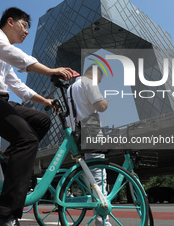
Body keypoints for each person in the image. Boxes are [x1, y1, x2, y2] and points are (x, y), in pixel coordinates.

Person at [0, 7, 73, 226]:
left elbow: (19, 87)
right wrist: (50, 70)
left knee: (42, 120)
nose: (27, 32)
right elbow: (17, 56)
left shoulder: (3, 56)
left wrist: (46, 102)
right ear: (10, 22)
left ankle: (8, 163)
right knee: (27, 139)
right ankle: (3, 215)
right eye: (24, 26)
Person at [66, 65, 111, 226]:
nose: (99, 82)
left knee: (89, 176)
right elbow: (101, 106)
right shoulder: (88, 82)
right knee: (99, 178)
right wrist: (106, 100)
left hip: (75, 134)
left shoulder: (71, 88)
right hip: (90, 132)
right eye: (100, 79)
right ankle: (102, 222)